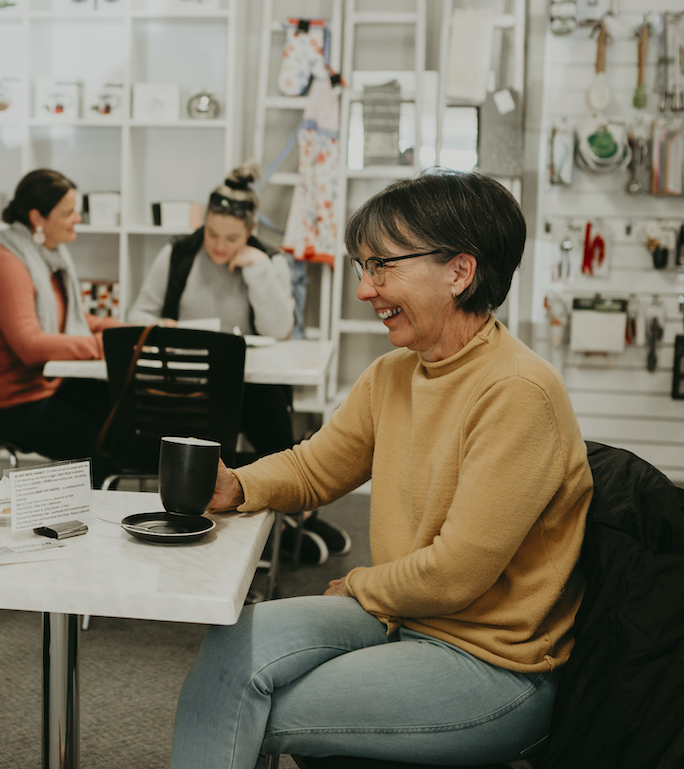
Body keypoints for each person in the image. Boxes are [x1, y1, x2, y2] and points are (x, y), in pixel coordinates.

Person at [168, 170, 593, 768]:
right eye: (362, 267)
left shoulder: (519, 392)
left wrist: (364, 585)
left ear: (459, 272)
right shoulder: (397, 373)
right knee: (232, 647)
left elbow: (453, 575)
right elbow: (315, 468)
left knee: (251, 707)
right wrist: (237, 484)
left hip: (490, 666)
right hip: (403, 617)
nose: (366, 290)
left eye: (381, 266)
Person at [127, 164, 347, 560]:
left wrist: (258, 272)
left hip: (246, 387)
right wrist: (164, 325)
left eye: (231, 237)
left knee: (268, 415)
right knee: (259, 423)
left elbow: (280, 329)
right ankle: (286, 519)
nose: (218, 245)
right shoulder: (177, 254)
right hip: (185, 383)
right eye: (211, 233)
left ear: (250, 232)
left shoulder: (268, 261)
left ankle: (291, 517)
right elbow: (138, 314)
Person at [0, 168, 122, 486]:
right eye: (68, 212)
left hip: (34, 388)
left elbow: (73, 319)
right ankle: (90, 522)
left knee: (116, 407)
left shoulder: (45, 258)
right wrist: (105, 345)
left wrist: (125, 331)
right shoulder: (7, 266)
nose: (77, 218)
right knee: (99, 439)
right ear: (37, 218)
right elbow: (30, 346)